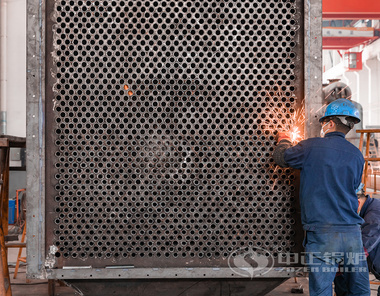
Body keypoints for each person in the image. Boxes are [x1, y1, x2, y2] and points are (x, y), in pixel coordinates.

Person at [273, 98, 370, 296]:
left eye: (324, 122)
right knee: (359, 290)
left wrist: (283, 139)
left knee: (322, 290)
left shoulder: (310, 147)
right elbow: (353, 188)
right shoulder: (356, 154)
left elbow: (281, 158)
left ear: (330, 123)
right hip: (352, 234)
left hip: (323, 234)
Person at [335, 192, 380, 296]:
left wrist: (341, 263)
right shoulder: (369, 210)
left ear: (358, 203)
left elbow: (365, 243)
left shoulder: (376, 212)